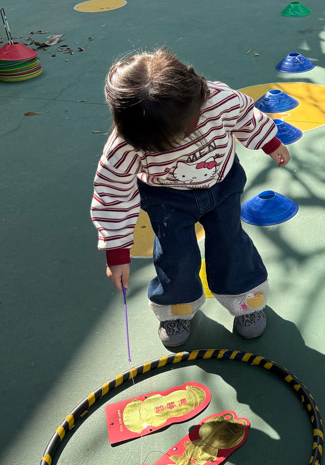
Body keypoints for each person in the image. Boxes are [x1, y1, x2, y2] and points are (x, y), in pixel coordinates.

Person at [91, 49, 290, 348]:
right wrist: (117, 251)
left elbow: (245, 117)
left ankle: (245, 300)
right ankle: (177, 307)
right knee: (175, 255)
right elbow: (113, 194)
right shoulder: (125, 142)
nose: (175, 145)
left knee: (231, 243)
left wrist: (269, 141)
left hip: (223, 185)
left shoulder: (218, 99)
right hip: (166, 199)